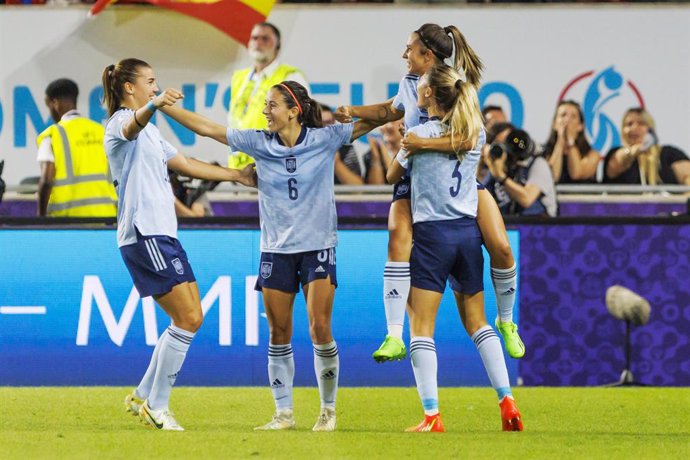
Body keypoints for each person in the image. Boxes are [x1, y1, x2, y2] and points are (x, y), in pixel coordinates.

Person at [159, 80, 378, 432]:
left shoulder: (325, 138)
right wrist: (160, 105)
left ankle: (328, 410)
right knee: (279, 332)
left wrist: (404, 101)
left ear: (293, 111)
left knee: (320, 328)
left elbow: (378, 119)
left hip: (318, 245)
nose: (265, 111)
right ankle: (284, 414)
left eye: (272, 104)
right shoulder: (258, 141)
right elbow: (207, 128)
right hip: (275, 249)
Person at [336, 23, 524, 362]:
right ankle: (394, 335)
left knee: (502, 247)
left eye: (409, 48)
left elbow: (469, 139)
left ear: (428, 55)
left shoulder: (457, 86)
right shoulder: (410, 85)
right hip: (418, 178)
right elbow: (388, 113)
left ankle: (507, 321)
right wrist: (353, 112)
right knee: (397, 234)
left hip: (458, 181)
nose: (403, 54)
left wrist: (421, 142)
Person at [101, 58, 256, 431]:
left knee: (186, 317)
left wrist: (236, 175)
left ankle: (143, 394)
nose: (156, 88)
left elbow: (185, 163)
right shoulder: (118, 125)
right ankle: (157, 404)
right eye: (150, 82)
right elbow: (130, 125)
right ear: (130, 89)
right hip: (144, 234)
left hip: (164, 234)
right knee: (189, 319)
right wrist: (153, 105)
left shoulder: (153, 133)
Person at [387, 65, 523, 433]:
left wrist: (404, 145)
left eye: (422, 89)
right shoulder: (473, 132)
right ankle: (507, 401)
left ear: (430, 94)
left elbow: (390, 177)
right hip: (467, 234)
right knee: (478, 323)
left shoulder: (418, 133)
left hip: (433, 235)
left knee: (422, 328)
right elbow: (460, 142)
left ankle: (432, 416)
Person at [227, 22, 308, 170]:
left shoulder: (290, 76)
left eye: (265, 39)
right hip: (239, 170)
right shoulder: (238, 78)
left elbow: (304, 122)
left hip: (275, 168)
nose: (258, 43)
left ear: (277, 46)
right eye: (255, 38)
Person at [36, 78, 117, 217]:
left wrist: (41, 217)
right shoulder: (102, 131)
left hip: (68, 219)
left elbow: (46, 180)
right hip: (107, 216)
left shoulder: (52, 135)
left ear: (54, 103)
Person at [484, 124, 558, 217]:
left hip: (538, 226)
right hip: (507, 224)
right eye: (499, 145)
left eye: (509, 141)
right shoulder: (494, 167)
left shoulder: (537, 164)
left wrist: (501, 177)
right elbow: (477, 200)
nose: (506, 148)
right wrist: (484, 163)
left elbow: (527, 199)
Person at [604, 107, 690, 186]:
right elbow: (618, 161)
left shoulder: (669, 153)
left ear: (650, 128)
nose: (634, 128)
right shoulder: (615, 154)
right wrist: (637, 150)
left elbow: (687, 177)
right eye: (629, 124)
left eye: (641, 123)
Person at [542, 100, 600, 184]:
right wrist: (560, 142)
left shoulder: (592, 154)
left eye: (573, 116)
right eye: (563, 115)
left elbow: (576, 174)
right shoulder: (544, 152)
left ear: (580, 126)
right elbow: (552, 176)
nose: (567, 120)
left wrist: (570, 142)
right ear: (555, 124)